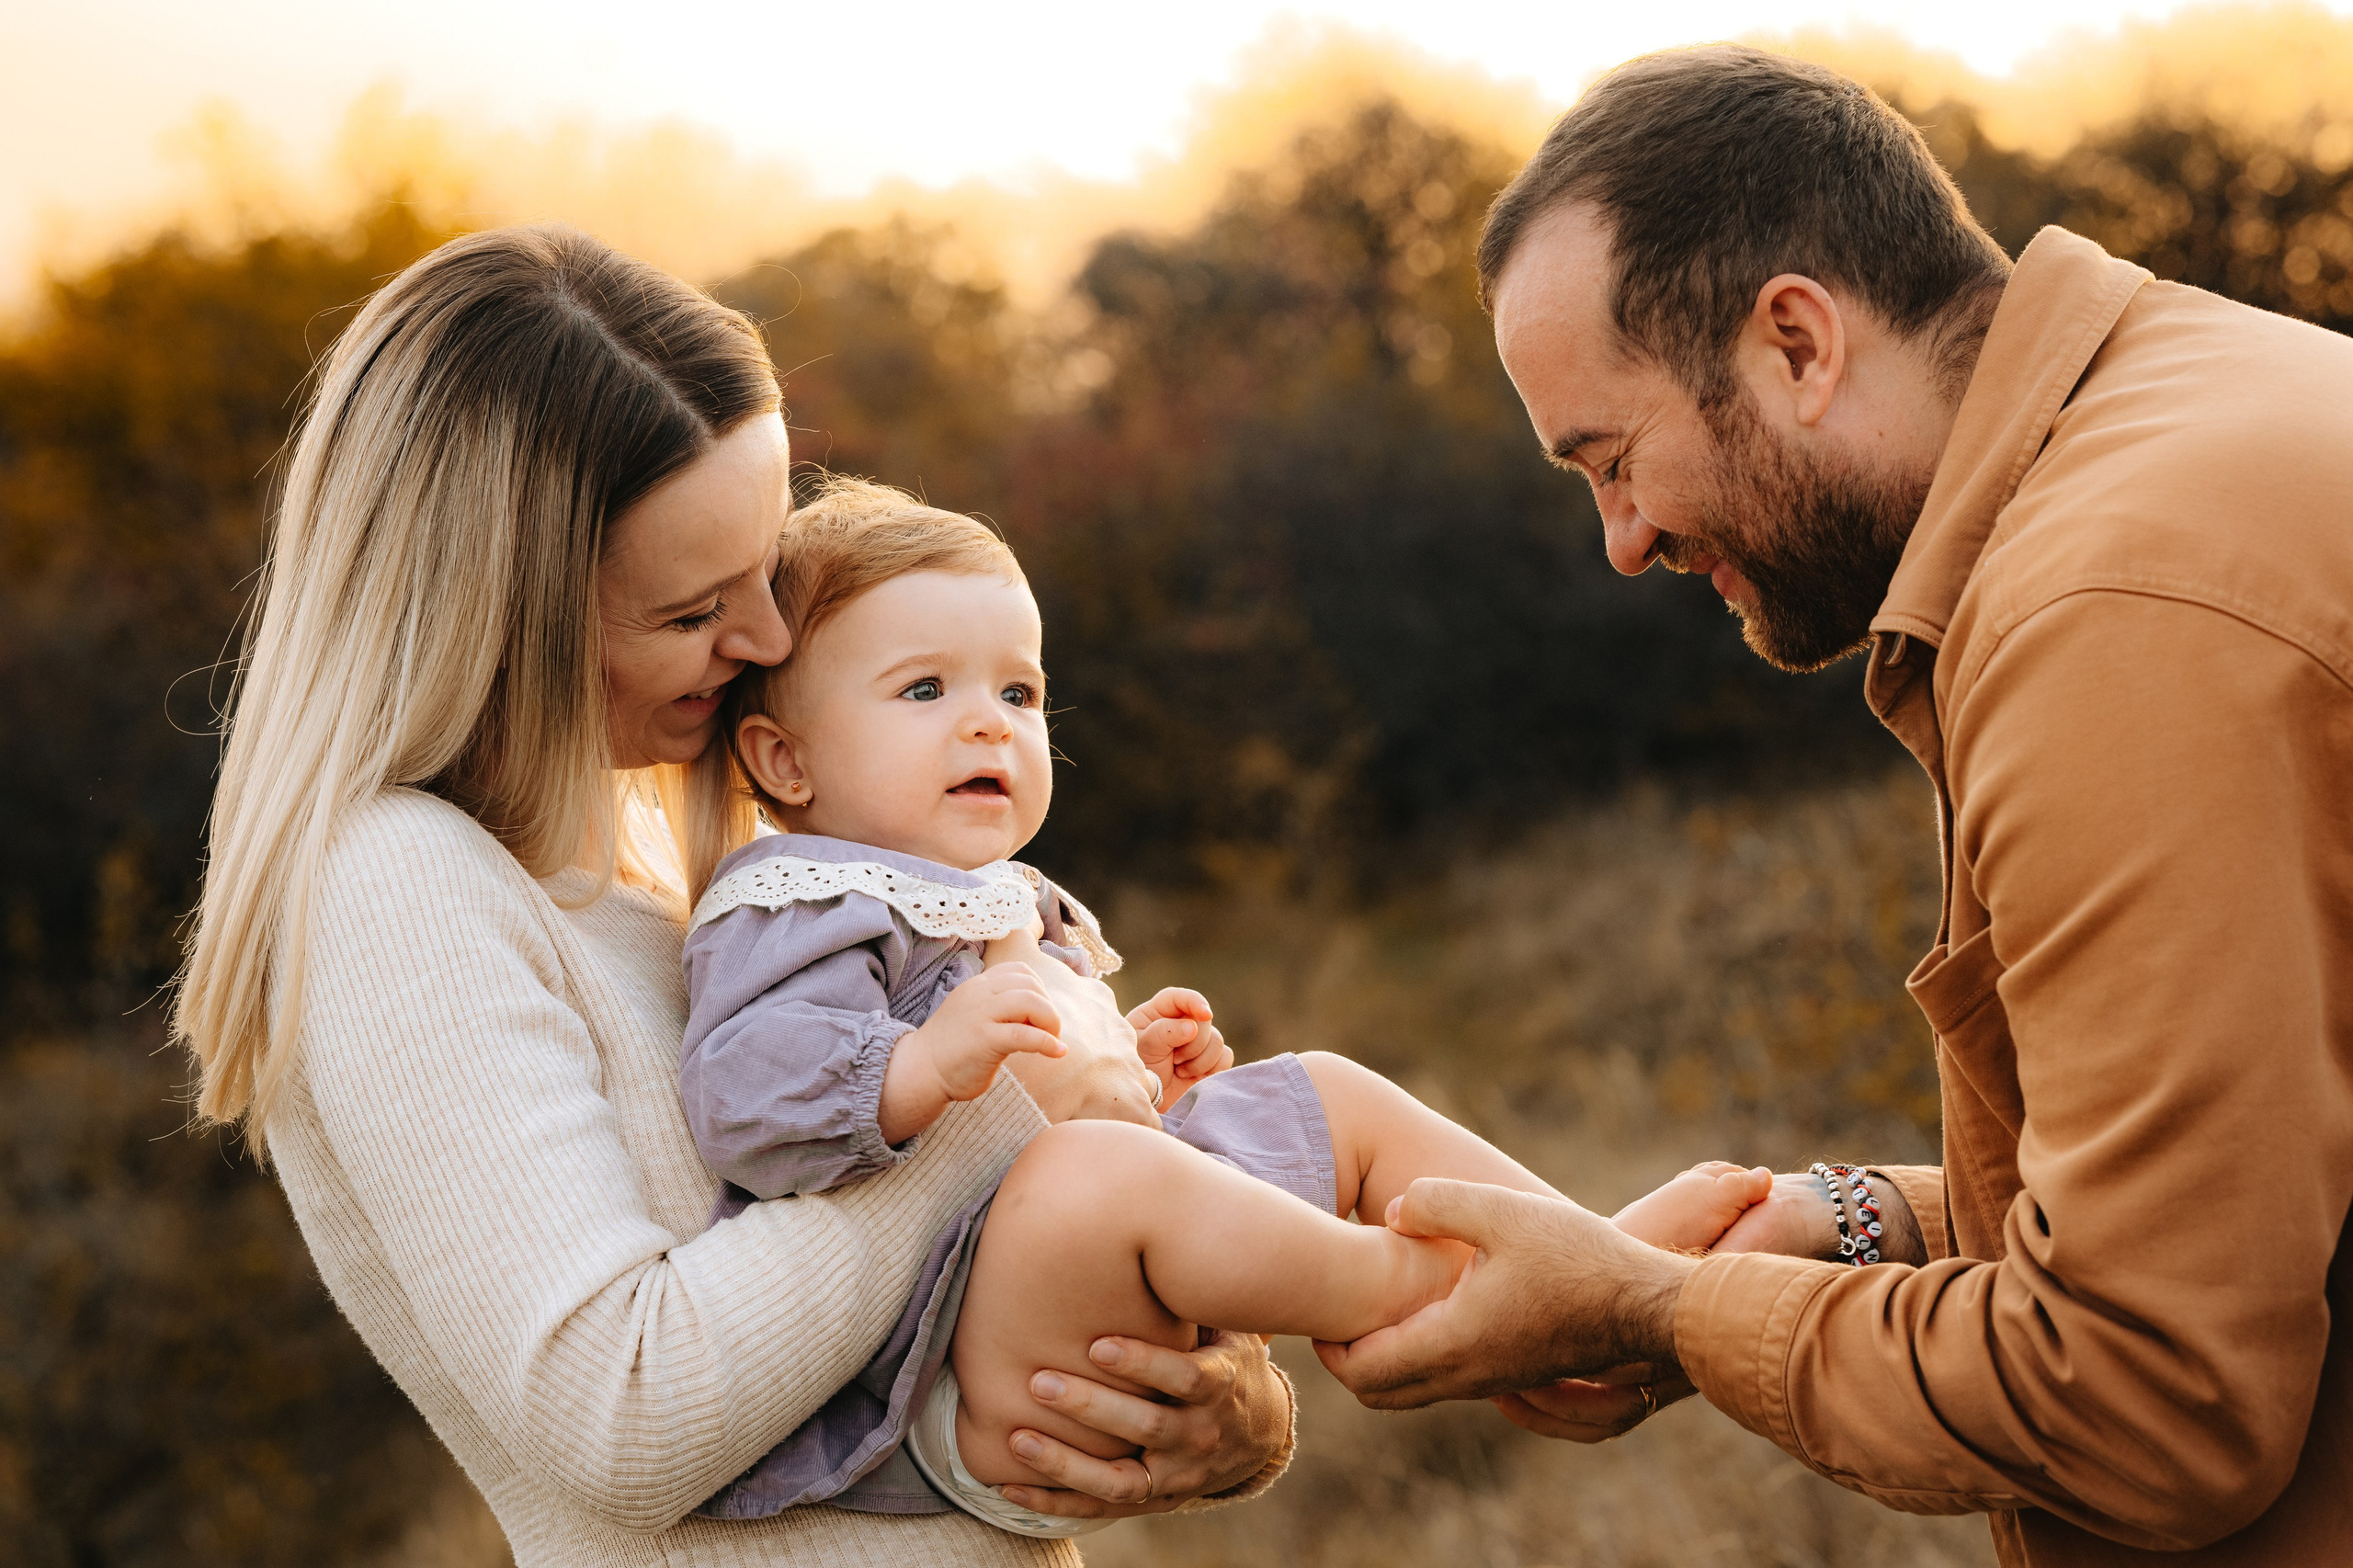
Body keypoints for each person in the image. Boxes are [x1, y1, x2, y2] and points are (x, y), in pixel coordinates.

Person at [1315, 43, 2353, 1568]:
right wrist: (1844, 1221)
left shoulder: (2112, 615)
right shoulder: (2195, 406)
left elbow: (2156, 1401)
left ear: (1797, 341)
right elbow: (2270, 1195)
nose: (1623, 539)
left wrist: (1658, 1305)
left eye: (1615, 459)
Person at [171, 225, 1302, 1568]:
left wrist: (1228, 1405)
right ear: (507, 613)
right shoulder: (395, 889)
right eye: (694, 607)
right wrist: (997, 1097)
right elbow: (626, 1412)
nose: (768, 639)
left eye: (766, 571)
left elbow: (918, 1326)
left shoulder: (671, 884)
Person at [672, 477, 1773, 1539]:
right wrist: (925, 1063)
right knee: (1096, 1175)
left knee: (1326, 1092)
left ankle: (1580, 1248)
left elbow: (1058, 1102)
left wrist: (1130, 1059)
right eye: (925, 690)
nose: (988, 726)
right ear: (787, 759)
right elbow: (747, 1098)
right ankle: (1456, 1287)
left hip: (1069, 1266)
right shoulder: (798, 900)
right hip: (959, 1378)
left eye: (1017, 691)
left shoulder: (1001, 895)